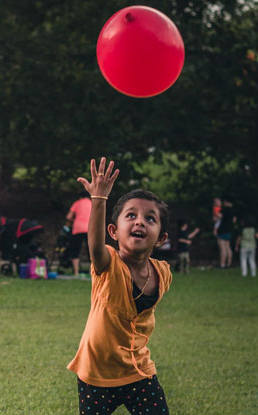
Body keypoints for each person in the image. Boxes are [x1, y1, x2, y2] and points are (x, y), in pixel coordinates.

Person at [67, 157, 172, 414]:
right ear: (113, 231)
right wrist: (99, 199)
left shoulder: (163, 273)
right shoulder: (108, 265)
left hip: (138, 370)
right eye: (131, 216)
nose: (139, 222)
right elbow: (94, 247)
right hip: (96, 374)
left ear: (161, 238)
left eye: (150, 219)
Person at [66, 191, 92, 276]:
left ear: (80, 197)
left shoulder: (77, 203)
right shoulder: (92, 203)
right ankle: (91, 272)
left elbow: (69, 217)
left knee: (75, 250)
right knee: (91, 251)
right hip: (89, 229)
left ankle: (76, 272)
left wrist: (74, 221)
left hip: (77, 229)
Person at [216, 199, 236, 268]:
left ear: (226, 202)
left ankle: (222, 264)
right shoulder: (233, 211)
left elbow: (219, 216)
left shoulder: (224, 209)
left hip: (222, 230)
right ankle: (229, 264)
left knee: (222, 248)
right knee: (228, 247)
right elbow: (234, 220)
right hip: (229, 231)